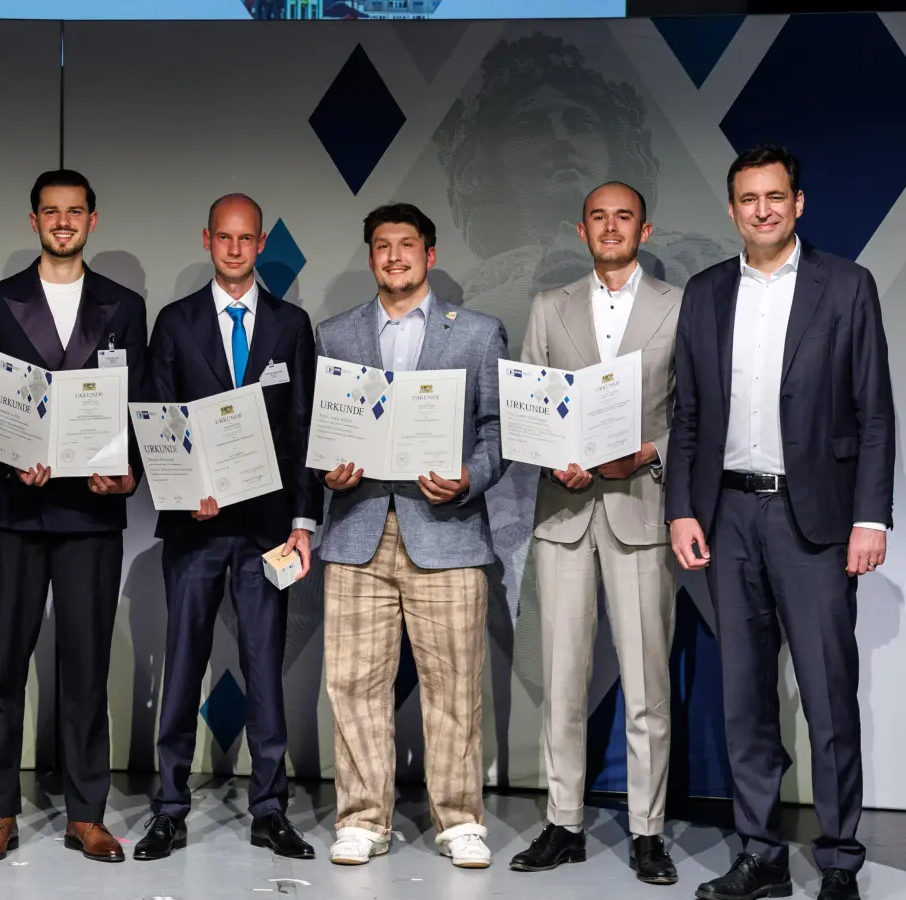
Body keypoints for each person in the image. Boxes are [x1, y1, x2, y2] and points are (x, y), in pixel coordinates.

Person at [668, 146, 892, 900]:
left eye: (774, 196)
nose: (761, 209)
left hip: (816, 519)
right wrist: (681, 511)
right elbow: (689, 413)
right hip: (727, 514)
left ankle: (838, 862)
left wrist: (871, 517)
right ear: (732, 210)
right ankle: (760, 854)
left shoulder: (847, 286)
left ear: (799, 203)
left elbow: (874, 414)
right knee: (744, 696)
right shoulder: (704, 292)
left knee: (828, 696)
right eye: (747, 198)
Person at [314, 203, 506, 869]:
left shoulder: (478, 334)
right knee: (353, 683)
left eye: (407, 245)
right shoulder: (333, 335)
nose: (394, 257)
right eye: (382, 246)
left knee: (454, 684)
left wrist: (468, 476)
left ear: (429, 254)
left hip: (446, 532)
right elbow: (321, 433)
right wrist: (330, 473)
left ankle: (459, 821)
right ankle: (363, 819)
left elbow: (496, 433)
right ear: (370, 256)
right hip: (357, 532)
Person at [0, 170, 146, 863]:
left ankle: (86, 812)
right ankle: (0, 812)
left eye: (75, 212)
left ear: (92, 221)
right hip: (13, 507)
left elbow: (134, 405)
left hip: (89, 514)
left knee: (85, 670)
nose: (63, 222)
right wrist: (11, 459)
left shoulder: (125, 305)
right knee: (3, 669)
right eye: (51, 211)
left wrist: (128, 467)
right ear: (32, 220)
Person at [133, 194, 317, 862]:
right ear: (206, 239)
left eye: (247, 239)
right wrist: (186, 493)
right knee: (182, 669)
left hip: (267, 531)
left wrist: (303, 521)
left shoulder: (291, 325)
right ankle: (169, 809)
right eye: (225, 238)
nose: (236, 249)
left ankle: (269, 809)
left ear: (261, 242)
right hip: (195, 528)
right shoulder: (175, 323)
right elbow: (156, 417)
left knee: (265, 672)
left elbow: (302, 429)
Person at [509, 182, 681, 885]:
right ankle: (563, 823)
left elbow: (694, 408)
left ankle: (647, 832)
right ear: (581, 230)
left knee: (647, 688)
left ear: (645, 227)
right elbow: (528, 408)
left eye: (625, 217)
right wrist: (560, 458)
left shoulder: (681, 305)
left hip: (640, 508)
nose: (611, 227)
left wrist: (647, 452)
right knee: (564, 683)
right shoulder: (549, 308)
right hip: (566, 511)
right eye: (599, 217)